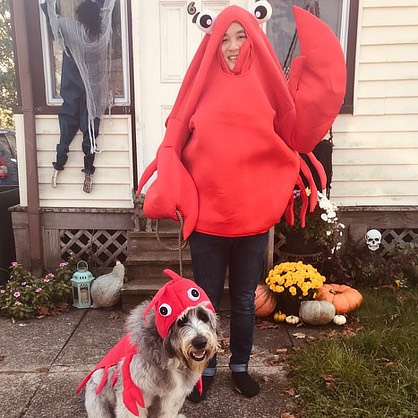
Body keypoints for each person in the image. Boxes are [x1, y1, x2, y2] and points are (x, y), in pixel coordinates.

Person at [137, 2, 346, 402]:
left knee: (246, 302)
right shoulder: (198, 89)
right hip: (207, 223)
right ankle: (204, 369)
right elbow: (175, 136)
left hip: (253, 221)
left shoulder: (271, 89)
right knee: (205, 302)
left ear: (254, 38)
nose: (233, 46)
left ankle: (240, 367)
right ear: (213, 42)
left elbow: (294, 137)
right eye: (225, 39)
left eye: (241, 36)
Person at [41, 0, 115, 193]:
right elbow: (107, 10)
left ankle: (58, 165)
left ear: (79, 16)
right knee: (90, 130)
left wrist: (46, 4)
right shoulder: (100, 33)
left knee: (67, 124)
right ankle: (88, 170)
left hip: (73, 87)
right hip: (94, 92)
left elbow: (54, 20)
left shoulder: (72, 30)